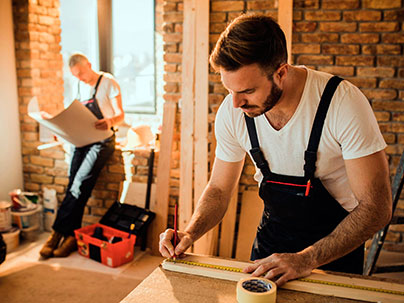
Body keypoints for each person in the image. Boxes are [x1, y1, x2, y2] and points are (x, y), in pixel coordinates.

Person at [159, 14, 392, 285]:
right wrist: (189, 233)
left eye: (247, 90)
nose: (235, 104)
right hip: (271, 244)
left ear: (281, 72)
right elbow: (219, 189)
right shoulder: (233, 111)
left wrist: (306, 259)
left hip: (334, 250)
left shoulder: (342, 104)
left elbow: (377, 208)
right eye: (229, 90)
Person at [40, 53, 124, 258]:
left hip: (102, 142)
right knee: (74, 187)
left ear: (89, 64)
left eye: (81, 73)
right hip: (81, 141)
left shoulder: (108, 82)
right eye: (75, 76)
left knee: (79, 186)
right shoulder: (79, 86)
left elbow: (121, 114)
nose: (79, 78)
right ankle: (70, 236)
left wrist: (110, 122)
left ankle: (57, 233)